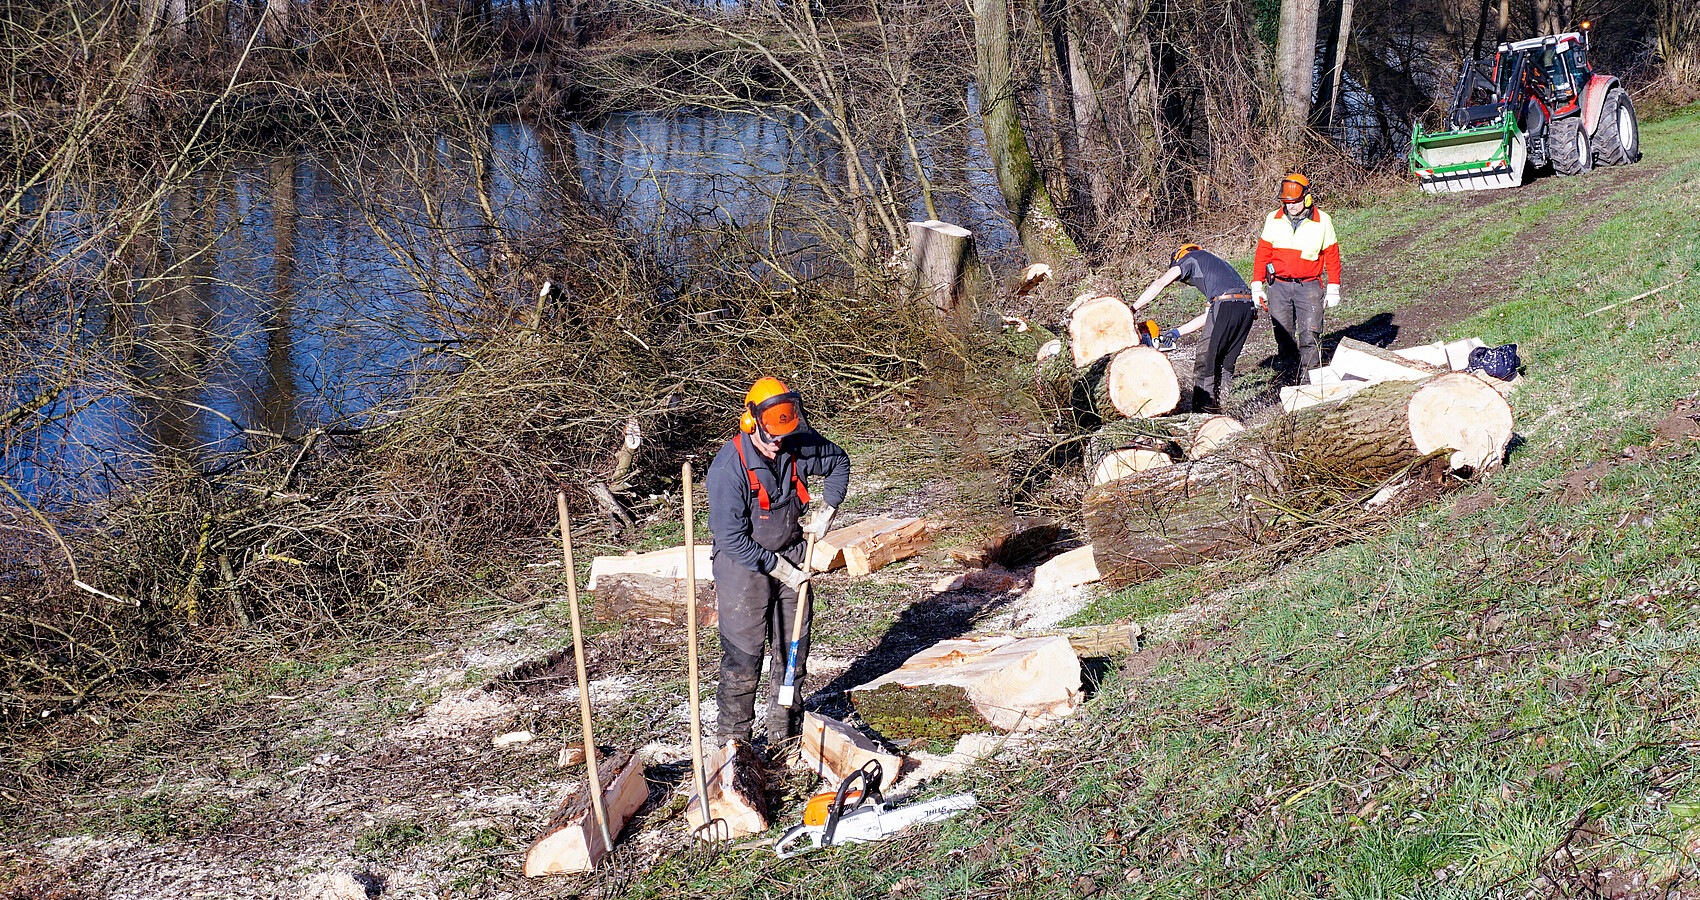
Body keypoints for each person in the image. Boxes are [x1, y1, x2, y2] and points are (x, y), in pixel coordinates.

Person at [706, 377, 850, 746]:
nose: (778, 446)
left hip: (791, 552)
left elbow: (838, 463)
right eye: (771, 438)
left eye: (784, 436)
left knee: (792, 653)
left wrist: (827, 510)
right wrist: (779, 569)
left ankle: (783, 737)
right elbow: (731, 538)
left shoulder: (795, 443)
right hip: (743, 567)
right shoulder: (728, 469)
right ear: (752, 424)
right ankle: (733, 749)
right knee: (743, 660)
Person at [1132, 243, 1258, 415]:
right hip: (1247, 307)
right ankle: (1223, 410)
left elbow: (1159, 284)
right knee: (1225, 362)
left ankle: (1203, 415)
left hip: (1226, 304)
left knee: (1206, 360)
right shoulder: (1217, 268)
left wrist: (1132, 309)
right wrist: (1176, 333)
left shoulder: (1188, 259)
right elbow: (1209, 315)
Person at [1251, 173, 1343, 379]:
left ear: (1307, 197)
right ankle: (1289, 378)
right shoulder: (1273, 219)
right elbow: (1262, 253)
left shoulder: (1323, 221)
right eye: (1287, 202)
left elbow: (1332, 256)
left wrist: (1334, 287)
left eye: (1296, 202)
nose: (1291, 206)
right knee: (1283, 336)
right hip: (1278, 286)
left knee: (1310, 334)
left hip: (1309, 286)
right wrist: (1257, 284)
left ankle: (1311, 379)